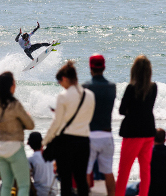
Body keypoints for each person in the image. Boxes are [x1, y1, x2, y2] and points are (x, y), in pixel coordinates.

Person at [42, 61, 95, 196]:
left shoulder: (63, 96)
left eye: (60, 82)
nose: (60, 85)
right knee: (81, 180)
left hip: (66, 143)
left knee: (66, 181)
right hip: (84, 142)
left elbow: (56, 123)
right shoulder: (90, 95)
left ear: (64, 78)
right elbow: (89, 119)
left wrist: (45, 141)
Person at [115, 55, 157, 196]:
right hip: (149, 132)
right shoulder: (154, 87)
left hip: (133, 133)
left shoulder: (131, 88)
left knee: (124, 171)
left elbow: (121, 110)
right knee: (145, 171)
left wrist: (131, 110)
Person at [0, 71, 35, 196]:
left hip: (0, 148)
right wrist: (25, 117)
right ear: (10, 86)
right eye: (14, 83)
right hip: (15, 147)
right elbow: (30, 125)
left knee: (6, 185)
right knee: (24, 185)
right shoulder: (14, 104)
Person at [82, 54, 116, 196]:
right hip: (107, 134)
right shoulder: (112, 87)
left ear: (90, 68)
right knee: (108, 172)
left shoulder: (86, 86)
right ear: (104, 67)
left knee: (86, 171)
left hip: (90, 135)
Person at [27, 132, 58, 196]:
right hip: (55, 191)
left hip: (40, 192)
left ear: (30, 145)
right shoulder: (52, 156)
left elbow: (27, 177)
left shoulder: (31, 159)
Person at [148, 128, 166, 196]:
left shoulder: (147, 153)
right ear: (165, 140)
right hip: (165, 187)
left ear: (152, 139)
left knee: (129, 188)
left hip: (149, 188)